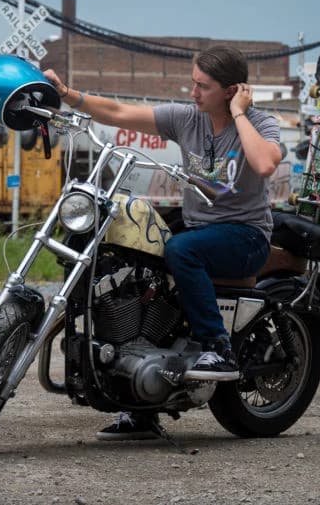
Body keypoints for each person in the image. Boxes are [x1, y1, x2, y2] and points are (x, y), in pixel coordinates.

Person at [43, 44, 283, 441]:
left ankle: (218, 348)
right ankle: (140, 401)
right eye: (193, 83)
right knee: (133, 261)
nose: (193, 92)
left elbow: (265, 163)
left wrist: (240, 113)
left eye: (203, 86)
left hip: (246, 235)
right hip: (199, 228)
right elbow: (119, 112)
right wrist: (67, 94)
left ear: (231, 91)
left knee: (180, 250)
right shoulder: (187, 119)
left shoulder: (260, 123)